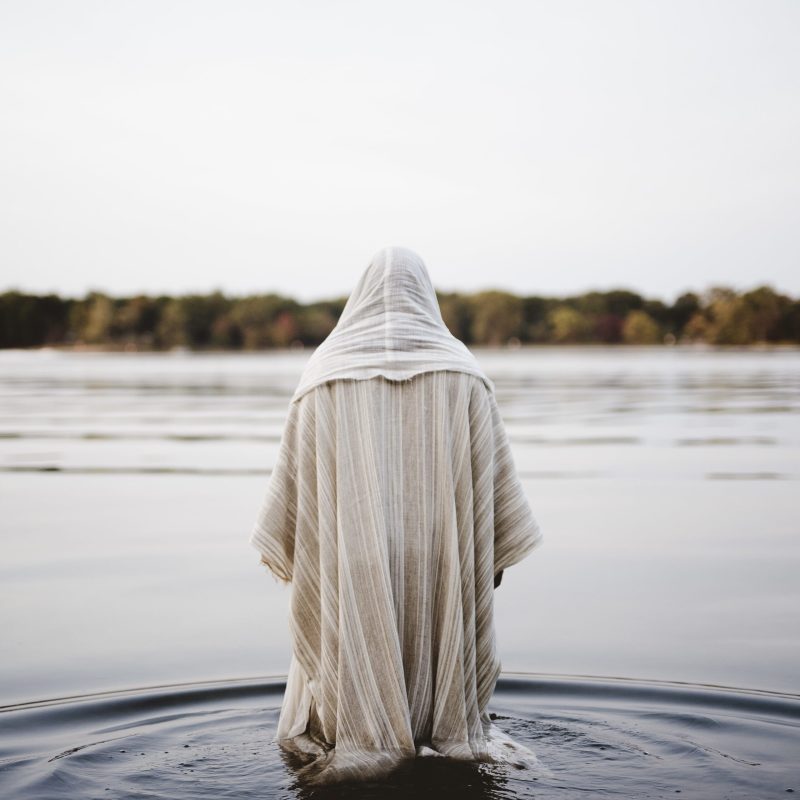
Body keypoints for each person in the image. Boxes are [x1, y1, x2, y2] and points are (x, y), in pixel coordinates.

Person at [249, 245, 545, 784]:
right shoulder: (466, 376)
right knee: (447, 723)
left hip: (351, 571)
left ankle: (360, 748)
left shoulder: (321, 378)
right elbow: (497, 514)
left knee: (342, 715)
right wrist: (477, 576)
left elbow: (291, 522)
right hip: (440, 566)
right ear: (425, 296)